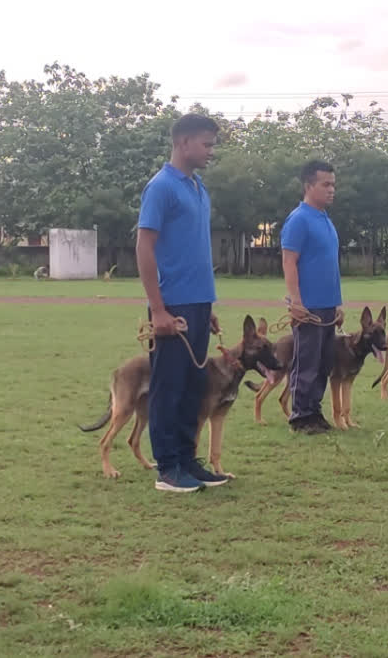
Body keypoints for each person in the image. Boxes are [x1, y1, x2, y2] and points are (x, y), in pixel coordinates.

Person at [136, 114, 229, 493]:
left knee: (193, 387)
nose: (211, 151)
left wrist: (206, 306)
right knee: (168, 387)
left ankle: (189, 460)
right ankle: (168, 468)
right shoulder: (161, 188)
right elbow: (144, 246)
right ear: (183, 142)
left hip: (197, 305)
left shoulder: (198, 187)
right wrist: (158, 309)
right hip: (171, 307)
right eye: (206, 144)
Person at [281, 160, 342, 434]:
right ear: (309, 186)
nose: (331, 190)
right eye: (325, 184)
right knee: (306, 361)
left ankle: (314, 412)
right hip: (308, 306)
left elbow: (331, 264)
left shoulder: (326, 220)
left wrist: (338, 302)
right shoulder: (299, 219)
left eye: (333, 184)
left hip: (328, 304)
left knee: (323, 362)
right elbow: (289, 262)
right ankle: (300, 415)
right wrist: (296, 301)